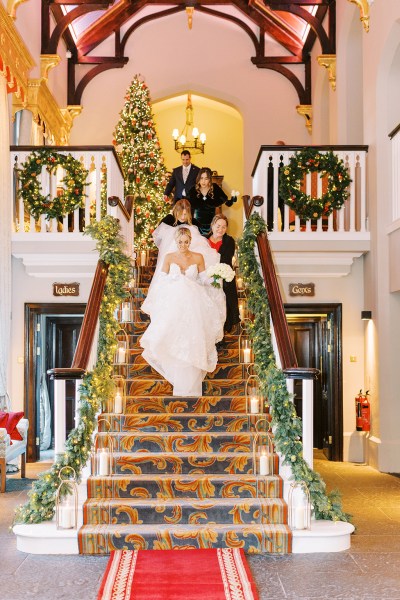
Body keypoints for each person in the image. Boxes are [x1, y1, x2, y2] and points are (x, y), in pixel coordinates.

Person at [140, 228, 225, 396]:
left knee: (192, 337)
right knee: (174, 338)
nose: (183, 245)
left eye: (186, 242)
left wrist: (217, 276)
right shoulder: (169, 257)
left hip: (194, 302)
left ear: (190, 241)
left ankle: (191, 384)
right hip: (175, 301)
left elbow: (203, 279)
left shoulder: (198, 257)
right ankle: (178, 379)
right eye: (180, 242)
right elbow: (162, 280)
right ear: (176, 241)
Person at [208, 214, 240, 335]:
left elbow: (226, 260)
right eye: (218, 226)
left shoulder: (229, 241)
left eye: (224, 227)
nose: (220, 229)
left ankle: (223, 331)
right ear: (212, 225)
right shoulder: (204, 240)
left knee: (224, 303)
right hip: (207, 277)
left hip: (224, 277)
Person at [187, 167, 236, 236]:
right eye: (201, 178)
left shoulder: (215, 188)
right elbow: (185, 204)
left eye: (206, 179)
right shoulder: (193, 190)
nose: (203, 181)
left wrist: (232, 200)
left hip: (212, 226)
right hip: (197, 225)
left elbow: (227, 202)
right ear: (198, 178)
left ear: (210, 179)